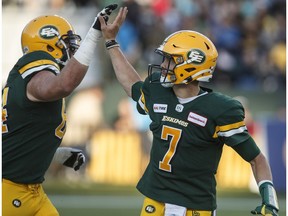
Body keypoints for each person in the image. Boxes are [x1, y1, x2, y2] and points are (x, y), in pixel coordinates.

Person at [99, 7, 279, 216]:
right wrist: (111, 43)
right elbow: (131, 85)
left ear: (190, 65)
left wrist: (269, 199)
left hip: (195, 207)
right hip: (155, 201)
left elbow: (257, 158)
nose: (163, 65)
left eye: (170, 60)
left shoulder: (220, 109)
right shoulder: (158, 91)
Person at [2, 4, 118, 216]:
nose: (72, 48)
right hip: (9, 192)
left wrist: (54, 154)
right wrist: (93, 36)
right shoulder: (35, 63)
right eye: (66, 42)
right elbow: (62, 86)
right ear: (48, 45)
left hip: (31, 190)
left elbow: (18, 137)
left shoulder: (31, 81)